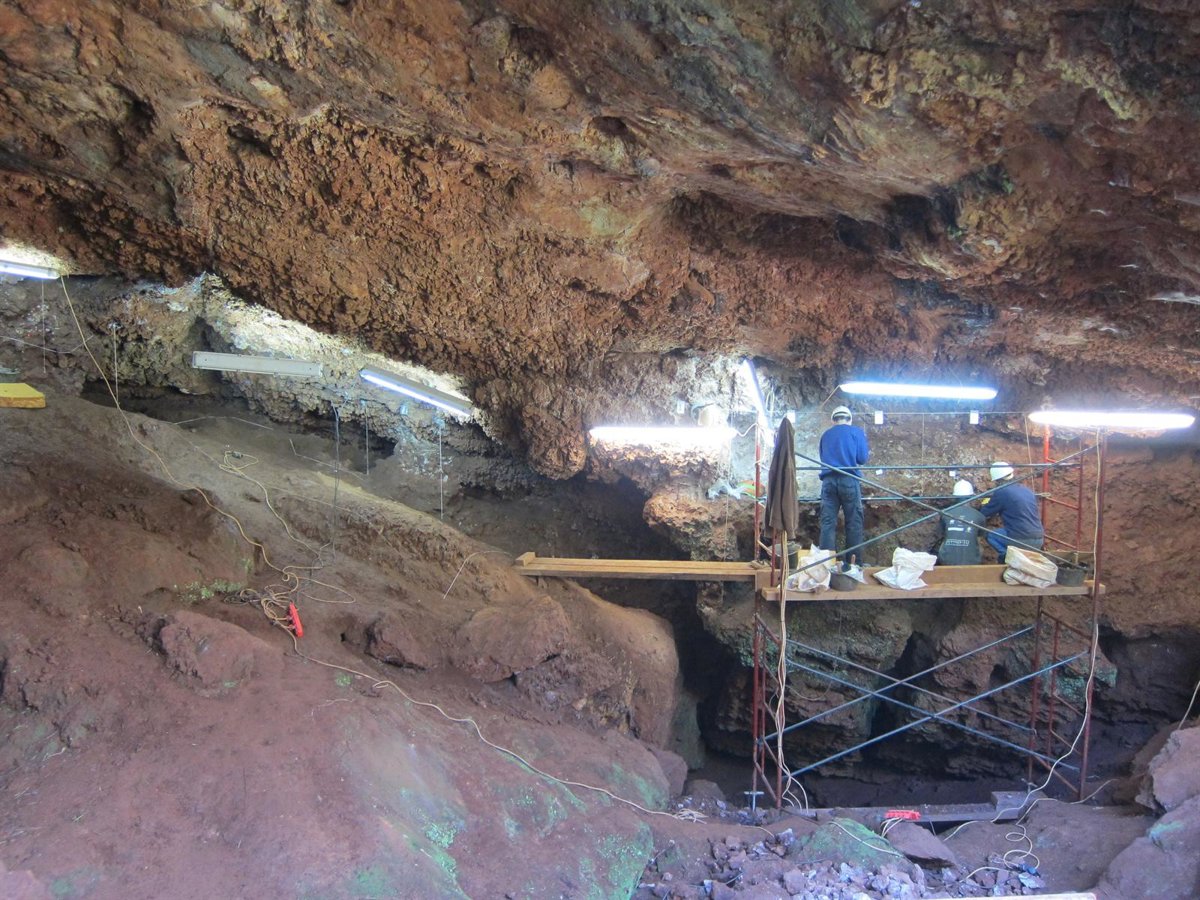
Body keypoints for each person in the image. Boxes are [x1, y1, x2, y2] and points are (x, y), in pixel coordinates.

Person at [818, 405, 869, 563]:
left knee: (827, 523)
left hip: (828, 482)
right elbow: (862, 458)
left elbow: (822, 458)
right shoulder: (856, 432)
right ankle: (853, 564)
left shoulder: (826, 435)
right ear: (849, 419)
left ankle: (826, 564)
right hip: (848, 479)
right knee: (853, 522)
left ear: (833, 420)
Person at [980, 462, 1045, 559]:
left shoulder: (1002, 492)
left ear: (998, 480)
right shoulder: (1027, 490)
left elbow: (984, 513)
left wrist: (983, 504)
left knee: (990, 535)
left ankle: (1007, 557)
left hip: (1021, 539)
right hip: (1039, 539)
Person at [934, 479, 985, 565]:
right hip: (972, 562)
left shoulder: (945, 514)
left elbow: (941, 536)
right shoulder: (979, 516)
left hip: (946, 561)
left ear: (954, 497)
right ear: (971, 497)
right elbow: (978, 541)